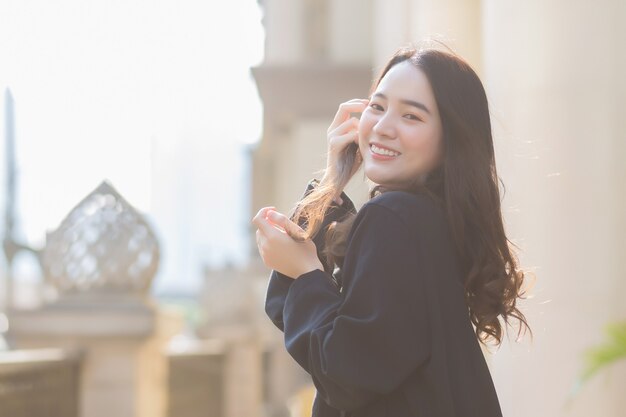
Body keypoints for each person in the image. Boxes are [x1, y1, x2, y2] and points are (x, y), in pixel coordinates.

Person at [252, 43, 532, 417]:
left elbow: (346, 373)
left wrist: (305, 272)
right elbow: (301, 319)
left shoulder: (395, 217)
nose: (383, 128)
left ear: (451, 138)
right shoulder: (433, 220)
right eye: (377, 107)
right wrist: (332, 183)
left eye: (412, 117)